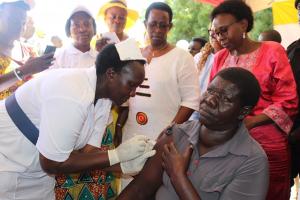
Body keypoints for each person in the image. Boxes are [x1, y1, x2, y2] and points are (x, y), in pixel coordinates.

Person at [0, 39, 156, 200]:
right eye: (131, 85)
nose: (133, 93)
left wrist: (123, 165)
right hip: (8, 163)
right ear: (111, 74)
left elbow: (88, 153)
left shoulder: (103, 99)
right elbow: (52, 163)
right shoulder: (73, 93)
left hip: (37, 172)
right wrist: (117, 155)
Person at [118, 67, 269, 200]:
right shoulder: (176, 134)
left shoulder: (252, 160)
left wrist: (178, 176)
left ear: (243, 112)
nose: (210, 100)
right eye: (210, 91)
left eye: (225, 99)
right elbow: (140, 190)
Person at [208, 1, 298, 199]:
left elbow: (289, 99)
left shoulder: (272, 51)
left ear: (243, 24)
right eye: (216, 33)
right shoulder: (220, 58)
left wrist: (251, 122)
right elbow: (211, 96)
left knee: (269, 193)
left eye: (224, 30)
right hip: (227, 142)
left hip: (267, 142)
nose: (220, 37)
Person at [120, 1, 200, 189]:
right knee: (127, 187)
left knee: (155, 190)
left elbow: (191, 100)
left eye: (163, 25)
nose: (157, 29)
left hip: (162, 140)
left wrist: (168, 133)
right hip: (131, 136)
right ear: (145, 25)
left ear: (170, 27)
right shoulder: (132, 54)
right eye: (152, 24)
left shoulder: (182, 57)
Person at [0, 0, 54, 98]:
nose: (20, 26)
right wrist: (24, 71)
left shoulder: (30, 51)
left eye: (23, 23)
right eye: (14, 20)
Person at [190, 33, 223, 120]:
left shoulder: (231, 57)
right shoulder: (199, 57)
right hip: (192, 110)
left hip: (213, 113)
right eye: (211, 30)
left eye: (218, 31)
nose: (213, 34)